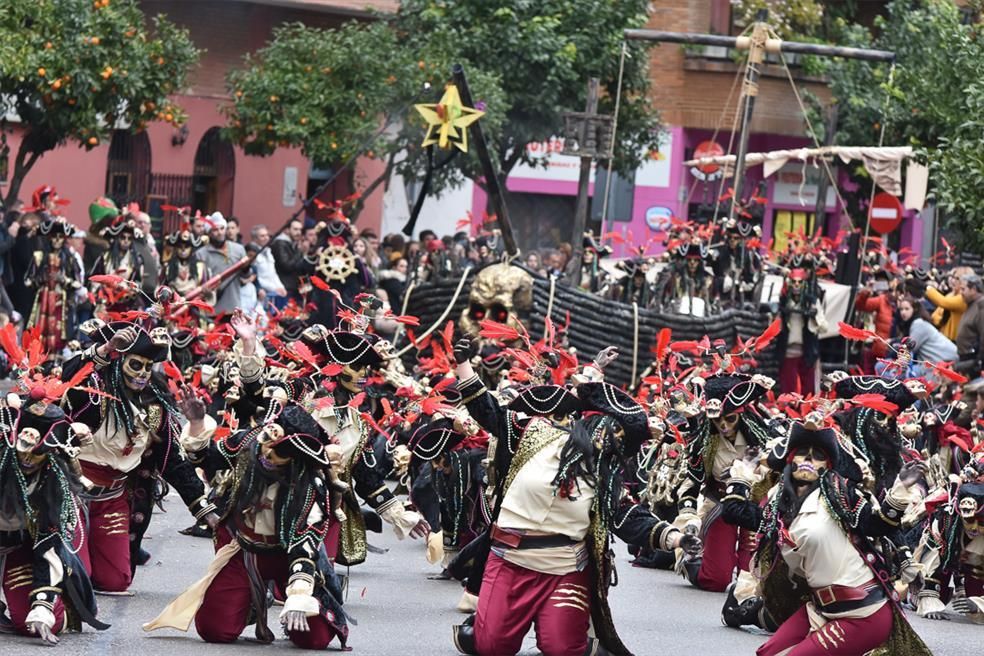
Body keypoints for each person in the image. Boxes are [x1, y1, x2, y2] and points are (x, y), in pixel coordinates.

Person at [450, 337, 700, 656]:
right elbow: (488, 413)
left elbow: (625, 516)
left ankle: (573, 635)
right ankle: (483, 627)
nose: (621, 445)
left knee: (563, 649)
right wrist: (463, 366)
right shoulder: (532, 433)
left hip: (565, 570)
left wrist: (676, 538)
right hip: (510, 561)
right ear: (598, 428)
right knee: (492, 647)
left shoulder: (604, 473)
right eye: (619, 434)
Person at [723, 414, 933, 656]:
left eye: (819, 455)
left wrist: (900, 490)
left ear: (827, 466)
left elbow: (878, 525)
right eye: (803, 452)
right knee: (767, 652)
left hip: (863, 613)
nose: (809, 459)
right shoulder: (776, 506)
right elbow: (734, 512)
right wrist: (742, 475)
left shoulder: (839, 496)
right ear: (791, 459)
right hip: (821, 607)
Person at [60, 321, 218, 592]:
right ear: (118, 361)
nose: (143, 374)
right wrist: (106, 349)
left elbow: (173, 461)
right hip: (73, 491)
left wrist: (204, 510)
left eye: (148, 367)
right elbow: (69, 376)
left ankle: (89, 555)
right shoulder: (91, 392)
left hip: (113, 498)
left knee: (116, 582)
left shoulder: (155, 409)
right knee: (76, 575)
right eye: (136, 365)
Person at [24, 218, 83, 355]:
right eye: (54, 237)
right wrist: (40, 279)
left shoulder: (70, 258)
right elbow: (27, 280)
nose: (57, 240)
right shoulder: (38, 256)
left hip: (61, 303)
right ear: (49, 238)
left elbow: (78, 283)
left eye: (60, 237)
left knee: (59, 335)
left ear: (64, 239)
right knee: (39, 333)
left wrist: (63, 280)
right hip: (42, 301)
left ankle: (55, 363)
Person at [892, 295, 958, 377]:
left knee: (898, 374)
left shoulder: (918, 324)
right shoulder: (917, 323)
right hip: (938, 360)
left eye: (907, 309)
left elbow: (908, 349)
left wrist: (892, 347)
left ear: (914, 309)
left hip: (942, 360)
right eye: (901, 309)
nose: (903, 312)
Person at [196, 212, 248, 315]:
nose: (219, 232)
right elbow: (198, 282)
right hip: (212, 310)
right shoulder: (201, 254)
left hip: (234, 308)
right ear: (209, 233)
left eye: (222, 228)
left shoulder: (239, 249)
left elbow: (245, 276)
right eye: (215, 230)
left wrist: (246, 268)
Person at [271, 219, 314, 306]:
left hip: (294, 287)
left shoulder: (293, 243)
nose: (298, 232)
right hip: (285, 287)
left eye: (300, 230)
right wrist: (300, 251)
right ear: (287, 230)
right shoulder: (280, 243)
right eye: (295, 229)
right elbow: (286, 266)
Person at [924, 266, 971, 341]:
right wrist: (941, 321)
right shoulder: (951, 295)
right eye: (953, 277)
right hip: (945, 338)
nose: (953, 281)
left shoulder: (963, 298)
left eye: (957, 278)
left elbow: (943, 302)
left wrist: (927, 288)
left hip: (956, 340)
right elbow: (935, 315)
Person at [250, 224, 287, 307]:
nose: (266, 238)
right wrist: (274, 288)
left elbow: (273, 273)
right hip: (260, 294)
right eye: (262, 236)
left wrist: (281, 287)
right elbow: (257, 277)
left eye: (267, 235)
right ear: (255, 239)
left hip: (272, 294)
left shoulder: (268, 251)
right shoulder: (252, 254)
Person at [955, 273, 984, 374]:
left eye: (963, 289)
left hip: (973, 361)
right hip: (966, 358)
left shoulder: (981, 306)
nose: (961, 293)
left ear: (974, 289)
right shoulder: (972, 304)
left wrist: (978, 362)